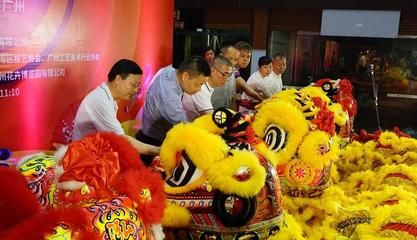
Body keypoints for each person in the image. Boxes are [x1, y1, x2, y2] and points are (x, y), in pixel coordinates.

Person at [72, 59, 159, 156]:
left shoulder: (106, 95)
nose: (135, 91)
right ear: (118, 79)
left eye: (138, 86)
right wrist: (159, 151)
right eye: (133, 85)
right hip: (84, 160)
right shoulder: (101, 101)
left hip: (94, 155)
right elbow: (122, 141)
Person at [136, 56, 210, 164]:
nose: (199, 90)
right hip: (152, 144)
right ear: (185, 76)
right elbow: (185, 130)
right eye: (199, 84)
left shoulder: (170, 70)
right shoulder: (169, 98)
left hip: (151, 134)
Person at [211, 45, 263, 110]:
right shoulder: (212, 72)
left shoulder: (232, 73)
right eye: (230, 58)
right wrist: (257, 96)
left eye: (248, 57)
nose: (232, 62)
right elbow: (243, 85)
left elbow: (233, 98)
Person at [182, 55, 233, 121]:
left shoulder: (208, 87)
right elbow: (212, 119)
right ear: (212, 70)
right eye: (224, 74)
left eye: (229, 75)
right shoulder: (201, 88)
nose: (227, 79)